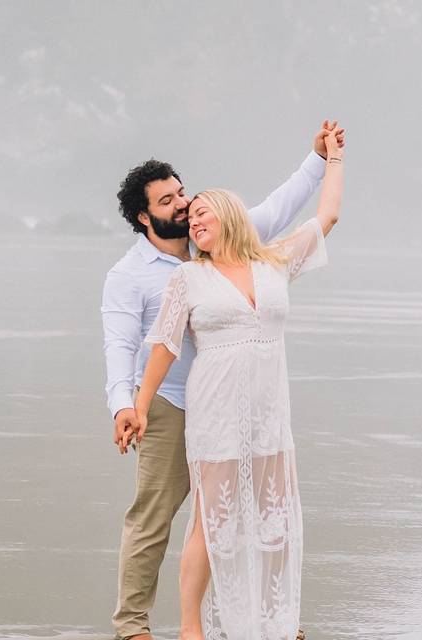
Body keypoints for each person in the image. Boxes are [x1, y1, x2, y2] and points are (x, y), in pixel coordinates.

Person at [102, 122, 344, 640]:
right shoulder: (131, 275)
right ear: (145, 217)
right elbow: (125, 347)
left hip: (252, 404)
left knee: (254, 517)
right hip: (174, 403)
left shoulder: (225, 236)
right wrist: (127, 405)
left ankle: (271, 621)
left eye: (184, 193)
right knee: (159, 517)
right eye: (170, 201)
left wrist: (320, 159)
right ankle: (133, 627)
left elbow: (286, 207)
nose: (185, 206)